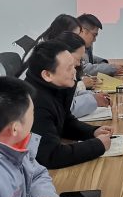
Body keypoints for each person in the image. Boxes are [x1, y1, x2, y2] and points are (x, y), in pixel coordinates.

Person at [25, 41, 112, 169]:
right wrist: (98, 145)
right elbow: (51, 156)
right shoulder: (35, 104)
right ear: (47, 74)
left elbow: (65, 122)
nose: (75, 72)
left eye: (73, 66)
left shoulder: (56, 86)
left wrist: (93, 132)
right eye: (69, 68)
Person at [53, 31, 110, 118]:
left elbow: (74, 93)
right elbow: (68, 107)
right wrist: (94, 100)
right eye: (78, 59)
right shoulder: (56, 74)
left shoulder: (68, 69)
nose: (79, 63)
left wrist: (93, 95)